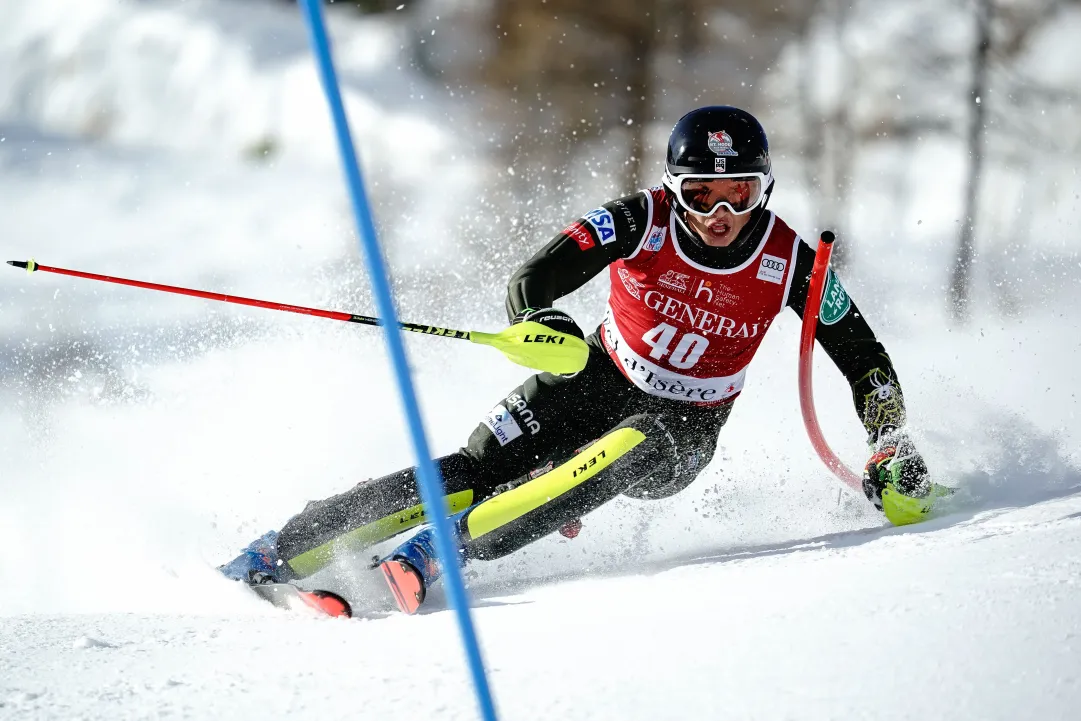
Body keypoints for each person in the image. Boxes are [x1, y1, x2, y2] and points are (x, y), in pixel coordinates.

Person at [220, 106, 933, 613]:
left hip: (683, 430)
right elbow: (531, 281)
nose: (720, 212)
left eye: (738, 192)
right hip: (593, 377)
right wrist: (542, 323)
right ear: (675, 190)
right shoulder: (638, 219)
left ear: (763, 189)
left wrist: (888, 439)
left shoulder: (790, 261)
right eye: (702, 193)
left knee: (637, 442)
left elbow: (862, 354)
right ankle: (279, 548)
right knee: (472, 470)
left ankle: (438, 551)